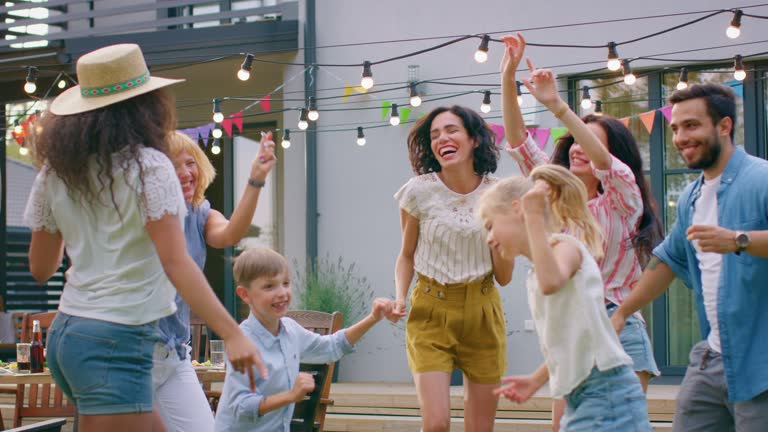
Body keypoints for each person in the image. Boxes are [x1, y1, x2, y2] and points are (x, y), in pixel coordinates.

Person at [23, 43, 265, 432]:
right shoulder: (149, 167)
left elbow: (41, 267)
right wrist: (234, 334)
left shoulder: (56, 171)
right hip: (117, 340)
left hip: (69, 336)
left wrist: (90, 228)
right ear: (146, 105)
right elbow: (176, 262)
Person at [499, 33, 662, 430]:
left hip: (617, 326)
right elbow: (520, 143)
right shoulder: (554, 201)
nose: (575, 148)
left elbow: (605, 162)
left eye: (587, 143)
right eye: (572, 142)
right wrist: (508, 76)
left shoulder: (622, 201)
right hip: (571, 327)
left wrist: (558, 105)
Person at [611, 83, 768, 431]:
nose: (681, 137)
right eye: (676, 128)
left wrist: (738, 240)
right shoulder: (691, 197)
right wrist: (622, 311)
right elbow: (665, 261)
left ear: (724, 126)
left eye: (692, 125)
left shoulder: (762, 179)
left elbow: (736, 241)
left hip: (761, 363)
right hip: (712, 357)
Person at [477, 164, 652, 432]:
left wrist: (533, 217)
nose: (489, 239)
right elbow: (572, 341)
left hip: (606, 390)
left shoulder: (566, 248)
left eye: (490, 226)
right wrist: (536, 380)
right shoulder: (536, 273)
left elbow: (552, 282)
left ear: (517, 209)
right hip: (581, 393)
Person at [391, 105, 514, 432]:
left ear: (474, 139)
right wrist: (400, 298)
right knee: (435, 424)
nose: (442, 138)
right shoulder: (418, 191)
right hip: (430, 311)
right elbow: (406, 255)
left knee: (480, 428)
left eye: (451, 130)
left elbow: (504, 276)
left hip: (483, 312)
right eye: (434, 135)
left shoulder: (498, 193)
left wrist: (500, 239)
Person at [152, 130, 276, 431]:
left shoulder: (199, 214)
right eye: (174, 165)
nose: (185, 172)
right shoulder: (145, 214)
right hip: (134, 352)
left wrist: (256, 180)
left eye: (190, 163)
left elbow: (230, 233)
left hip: (173, 354)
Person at [213, 247, 396, 431]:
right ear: (245, 294)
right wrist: (291, 395)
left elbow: (332, 346)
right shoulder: (242, 342)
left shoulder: (291, 330)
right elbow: (241, 406)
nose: (282, 293)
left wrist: (373, 318)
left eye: (285, 283)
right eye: (269, 286)